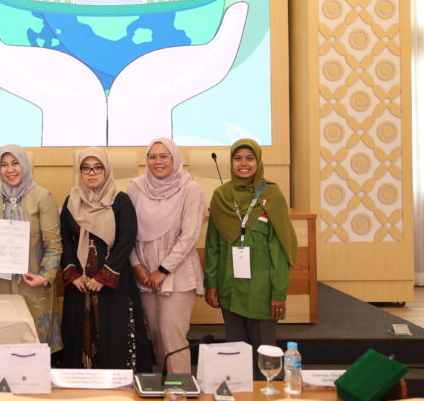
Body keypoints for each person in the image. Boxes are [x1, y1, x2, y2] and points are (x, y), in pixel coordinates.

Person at [204, 139, 297, 360]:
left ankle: (266, 384)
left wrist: (279, 292)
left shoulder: (272, 195)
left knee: (265, 356)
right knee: (236, 355)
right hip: (230, 286)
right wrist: (212, 283)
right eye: (238, 159)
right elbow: (213, 245)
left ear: (258, 162)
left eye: (249, 158)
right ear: (231, 162)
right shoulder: (221, 196)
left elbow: (281, 249)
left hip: (262, 290)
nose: (243, 163)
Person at [60, 147, 152, 370]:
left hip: (112, 281)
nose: (91, 173)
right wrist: (73, 274)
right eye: (86, 168)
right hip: (81, 283)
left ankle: (115, 383)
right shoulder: (71, 201)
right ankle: (81, 383)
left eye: (97, 167)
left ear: (106, 170)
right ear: (80, 172)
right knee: (78, 331)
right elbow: (65, 240)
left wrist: (104, 276)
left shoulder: (120, 201)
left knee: (113, 333)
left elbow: (127, 239)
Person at [127, 137, 205, 374]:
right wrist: (137, 265)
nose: (157, 161)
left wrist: (162, 271)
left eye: (164, 156)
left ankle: (180, 386)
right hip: (144, 274)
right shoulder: (136, 187)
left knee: (172, 333)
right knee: (156, 334)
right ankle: (163, 385)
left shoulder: (190, 189)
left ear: (175, 158)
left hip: (177, 273)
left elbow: (190, 235)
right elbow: (127, 231)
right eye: (152, 157)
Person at [0, 145, 62, 352]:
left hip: (32, 283)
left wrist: (45, 276)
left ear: (24, 164)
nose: (10, 169)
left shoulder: (43, 197)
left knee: (32, 348)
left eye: (15, 163)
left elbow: (53, 243)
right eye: (4, 165)